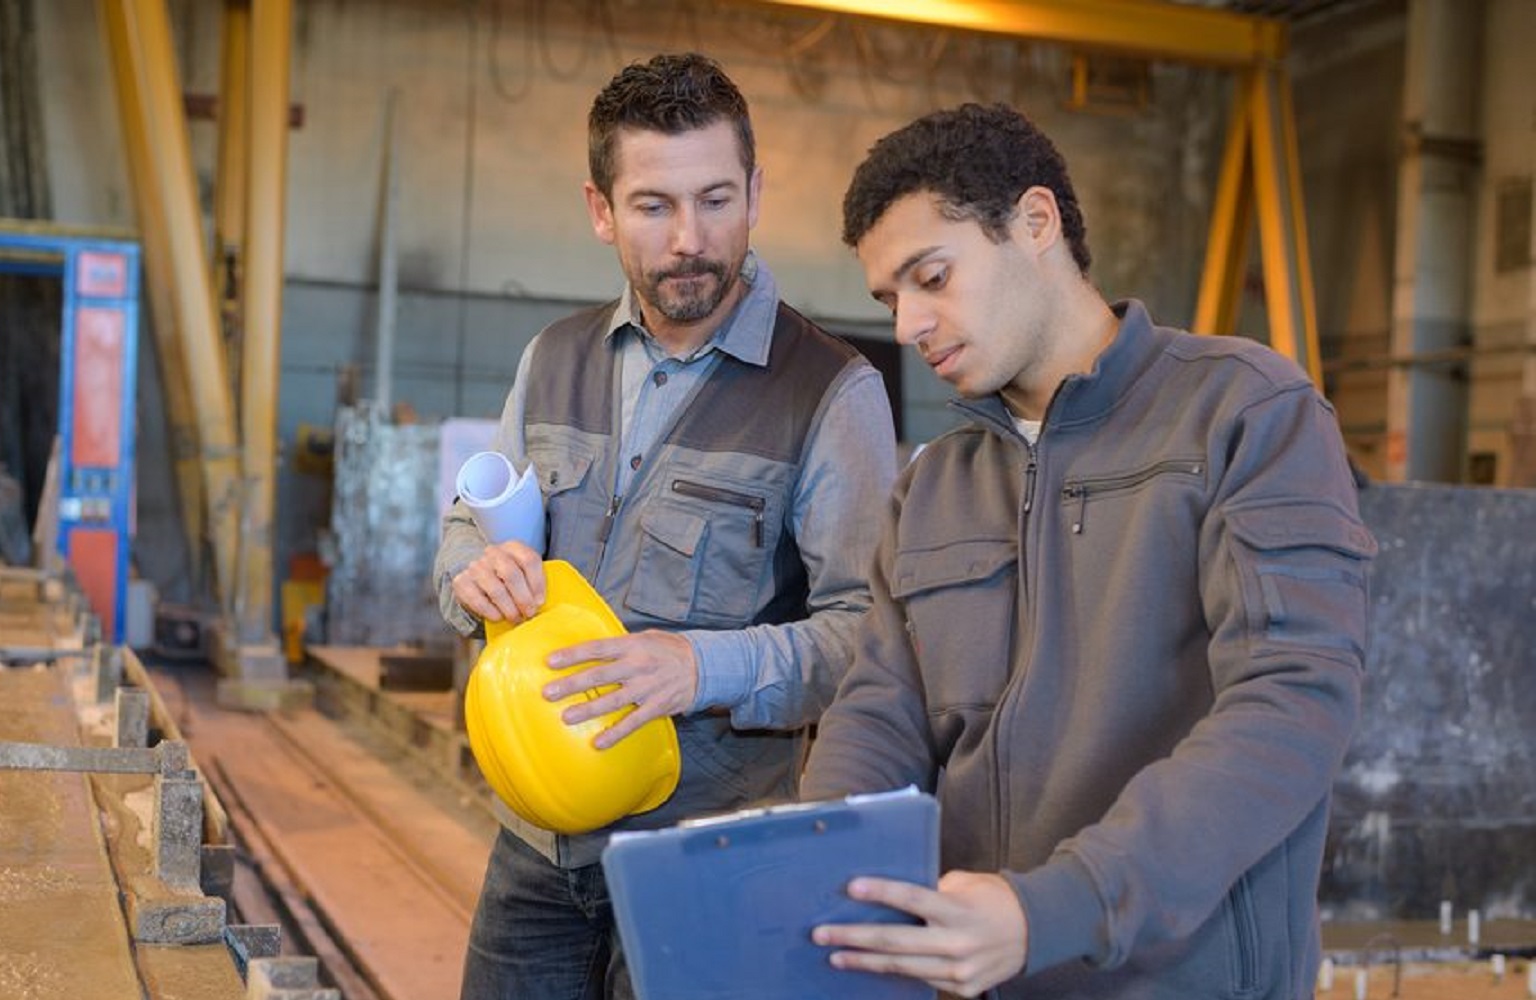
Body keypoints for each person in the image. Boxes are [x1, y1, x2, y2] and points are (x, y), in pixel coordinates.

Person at [801, 103, 1376, 999]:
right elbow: (880, 713)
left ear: (1036, 223)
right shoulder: (935, 485)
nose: (909, 323)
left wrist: (1053, 911)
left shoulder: (1245, 412)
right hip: (970, 978)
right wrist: (816, 876)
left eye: (932, 276)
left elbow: (1291, 707)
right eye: (890, 298)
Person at [433, 53, 898, 1000]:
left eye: (717, 199)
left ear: (757, 193)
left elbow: (871, 639)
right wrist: (470, 576)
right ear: (601, 210)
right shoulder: (553, 357)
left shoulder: (833, 395)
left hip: (708, 859)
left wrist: (698, 667)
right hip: (537, 847)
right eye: (654, 207)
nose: (692, 239)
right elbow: (461, 532)